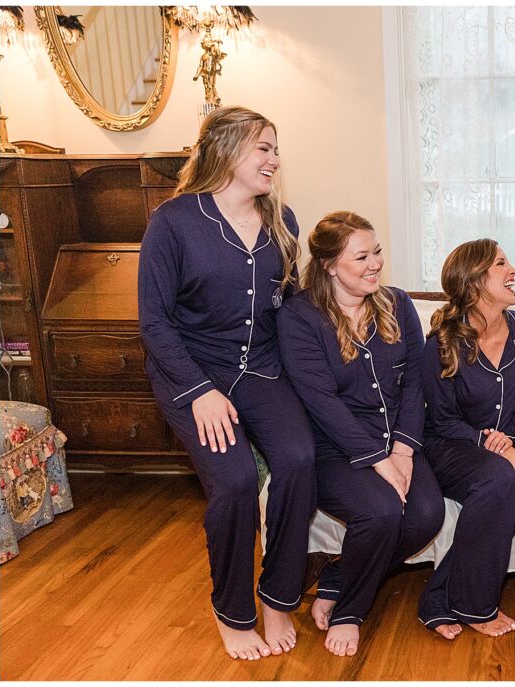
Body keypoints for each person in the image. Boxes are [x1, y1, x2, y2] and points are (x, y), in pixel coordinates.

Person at [138, 106, 315, 661]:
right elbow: (154, 322)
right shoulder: (173, 221)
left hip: (261, 367)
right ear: (228, 149)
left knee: (298, 458)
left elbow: (287, 307)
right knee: (236, 480)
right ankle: (233, 611)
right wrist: (200, 393)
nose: (274, 159)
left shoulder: (283, 220)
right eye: (264, 147)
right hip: (190, 373)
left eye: (276, 148)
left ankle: (279, 595)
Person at [276, 211, 444, 658]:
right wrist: (378, 459)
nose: (375, 264)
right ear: (330, 265)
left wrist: (404, 450)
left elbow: (414, 383)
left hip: (398, 440)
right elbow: (322, 402)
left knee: (427, 514)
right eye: (361, 257)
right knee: (382, 511)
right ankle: (351, 610)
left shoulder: (397, 303)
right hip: (333, 450)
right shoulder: (300, 317)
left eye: (377, 252)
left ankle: (336, 576)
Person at [417, 239, 515, 640]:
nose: (513, 270)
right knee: (503, 479)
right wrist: (493, 445)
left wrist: (512, 444)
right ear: (474, 282)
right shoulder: (442, 344)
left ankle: (438, 597)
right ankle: (476, 606)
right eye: (502, 263)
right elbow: (441, 419)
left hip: (502, 452)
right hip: (450, 446)